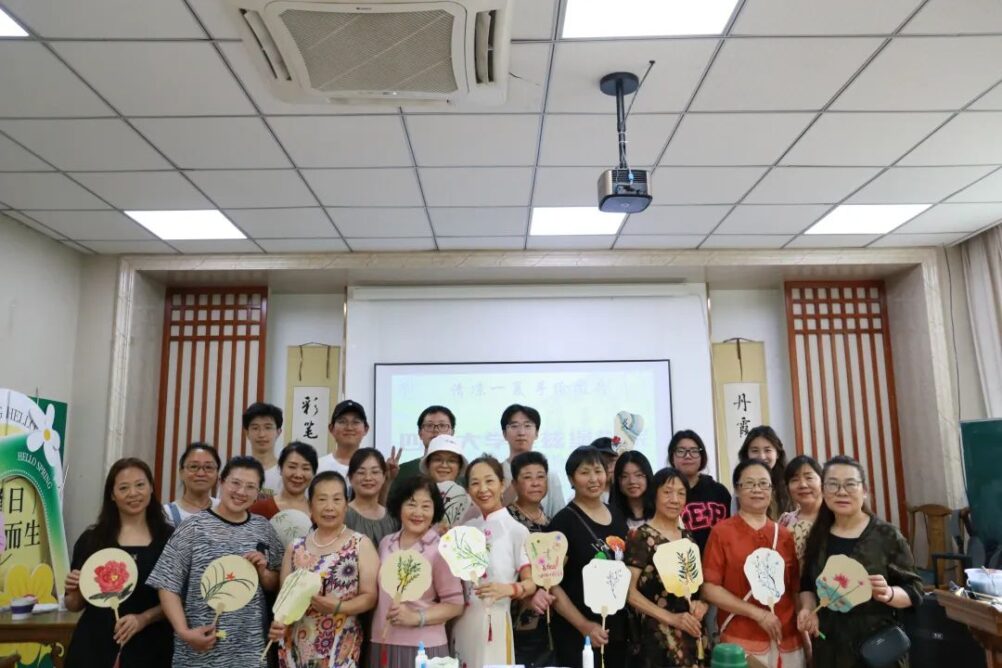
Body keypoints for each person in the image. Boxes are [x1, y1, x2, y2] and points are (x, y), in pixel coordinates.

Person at [148, 455, 285, 668]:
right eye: (235, 483)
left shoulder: (264, 528)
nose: (241, 492)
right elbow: (167, 584)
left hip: (250, 651)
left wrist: (263, 571)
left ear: (257, 492)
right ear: (221, 482)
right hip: (199, 649)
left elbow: (275, 583)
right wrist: (183, 631)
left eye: (250, 487)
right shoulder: (193, 527)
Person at [797, 456, 923, 668]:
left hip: (876, 648)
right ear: (823, 491)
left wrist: (889, 593)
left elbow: (914, 590)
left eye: (850, 484)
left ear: (864, 490)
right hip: (829, 649)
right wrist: (808, 609)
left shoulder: (886, 536)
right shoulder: (818, 536)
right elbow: (807, 583)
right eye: (833, 484)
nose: (841, 492)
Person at [64, 458, 174, 668]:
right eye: (123, 488)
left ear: (151, 488)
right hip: (95, 647)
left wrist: (143, 618)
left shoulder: (169, 539)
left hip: (153, 647)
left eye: (140, 485)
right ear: (112, 495)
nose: (133, 493)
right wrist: (74, 590)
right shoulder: (93, 539)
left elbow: (179, 598)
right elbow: (74, 605)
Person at [269, 471, 378, 668]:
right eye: (322, 499)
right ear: (310, 505)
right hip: (296, 645)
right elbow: (284, 599)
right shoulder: (295, 547)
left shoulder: (360, 544)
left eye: (336, 499)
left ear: (346, 505)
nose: (329, 507)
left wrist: (339, 607)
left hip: (340, 645)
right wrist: (278, 624)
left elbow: (370, 596)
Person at [701, 459, 804, 668]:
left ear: (772, 490)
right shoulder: (722, 532)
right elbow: (709, 588)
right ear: (737, 490)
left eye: (764, 484)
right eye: (749, 483)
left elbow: (794, 590)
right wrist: (757, 614)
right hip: (741, 639)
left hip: (788, 639)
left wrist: (805, 634)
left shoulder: (785, 535)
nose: (757, 489)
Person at [537, 446, 630, 668]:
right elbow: (551, 583)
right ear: (571, 479)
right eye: (584, 472)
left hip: (617, 628)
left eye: (598, 471)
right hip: (578, 632)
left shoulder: (616, 514)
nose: (593, 479)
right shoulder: (562, 523)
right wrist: (584, 625)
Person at [369, 475, 465, 667]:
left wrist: (416, 617)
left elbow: (455, 605)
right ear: (399, 506)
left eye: (426, 506)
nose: (418, 513)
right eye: (411, 504)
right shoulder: (386, 543)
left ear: (435, 510)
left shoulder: (440, 549)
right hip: (383, 640)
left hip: (424, 647)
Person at [453, 455, 538, 668]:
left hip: (495, 621)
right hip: (461, 621)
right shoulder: (465, 529)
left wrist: (509, 589)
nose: (483, 489)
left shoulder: (516, 530)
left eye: (489, 481)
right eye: (475, 483)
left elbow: (531, 583)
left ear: (502, 484)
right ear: (468, 490)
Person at [625, 467, 708, 668]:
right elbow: (628, 592)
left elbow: (697, 589)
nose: (675, 499)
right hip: (658, 636)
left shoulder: (688, 537)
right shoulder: (640, 536)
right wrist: (672, 618)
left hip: (692, 631)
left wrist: (701, 605)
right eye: (667, 492)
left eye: (681, 493)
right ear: (654, 495)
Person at [506, 451, 553, 668]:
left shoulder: (551, 522)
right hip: (517, 612)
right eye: (527, 477)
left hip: (550, 613)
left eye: (540, 477)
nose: (535, 483)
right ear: (514, 484)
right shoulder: (507, 520)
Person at [499, 404, 565, 518]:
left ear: (537, 433)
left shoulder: (549, 475)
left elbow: (559, 517)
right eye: (514, 426)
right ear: (504, 434)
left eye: (527, 426)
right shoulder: (496, 473)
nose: (521, 432)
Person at [670, 430, 731, 554]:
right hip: (677, 561)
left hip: (716, 560)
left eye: (694, 451)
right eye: (681, 451)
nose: (688, 456)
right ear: (672, 456)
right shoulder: (664, 493)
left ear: (702, 456)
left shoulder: (719, 492)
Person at [386, 405, 456, 500]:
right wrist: (388, 481)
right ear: (420, 433)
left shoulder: (464, 472)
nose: (436, 430)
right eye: (429, 425)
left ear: (452, 433)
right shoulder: (402, 471)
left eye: (442, 425)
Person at [346, 447, 400, 548]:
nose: (368, 478)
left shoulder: (393, 518)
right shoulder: (343, 515)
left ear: (384, 476)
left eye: (375, 472)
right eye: (361, 472)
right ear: (350, 478)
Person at [249, 441, 317, 520]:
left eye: (305, 468)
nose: (298, 475)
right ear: (281, 469)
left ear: (313, 473)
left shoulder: (320, 512)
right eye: (292, 467)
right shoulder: (258, 510)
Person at [737, 426, 792, 520]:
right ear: (747, 455)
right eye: (755, 451)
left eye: (767, 450)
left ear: (778, 454)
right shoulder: (742, 487)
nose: (762, 457)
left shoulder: (790, 484)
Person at [779, 455, 823, 567]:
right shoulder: (785, 521)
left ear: (822, 481)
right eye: (794, 480)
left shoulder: (836, 517)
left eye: (809, 478)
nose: (802, 485)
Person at [421, 434, 470, 530]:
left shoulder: (470, 500)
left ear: (460, 467)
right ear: (428, 464)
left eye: (452, 461)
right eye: (437, 459)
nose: (444, 465)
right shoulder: (413, 494)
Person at [163, 442, 220, 526]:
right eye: (194, 466)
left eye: (208, 467)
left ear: (217, 473)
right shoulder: (166, 514)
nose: (201, 473)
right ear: (181, 472)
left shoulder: (224, 508)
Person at [317, 400, 368, 489]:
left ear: (366, 429)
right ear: (331, 428)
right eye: (342, 422)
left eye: (356, 422)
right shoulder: (318, 467)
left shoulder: (373, 468)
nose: (349, 427)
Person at [243, 402, 284, 497]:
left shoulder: (286, 474)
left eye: (268, 428)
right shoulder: (235, 471)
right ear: (247, 433)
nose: (261, 434)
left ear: (278, 432)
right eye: (255, 428)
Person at [611, 450, 656, 530]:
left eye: (638, 475)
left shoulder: (661, 511)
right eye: (624, 476)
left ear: (648, 477)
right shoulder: (611, 517)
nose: (632, 481)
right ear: (618, 481)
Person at [589, 436, 620, 500]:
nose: (607, 466)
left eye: (612, 461)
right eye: (601, 461)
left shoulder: (627, 494)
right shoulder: (583, 497)